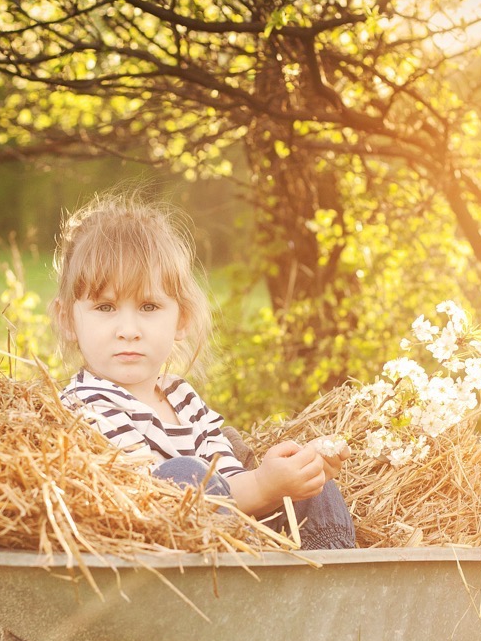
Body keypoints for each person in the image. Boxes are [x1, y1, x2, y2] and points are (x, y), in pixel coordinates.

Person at [50, 193, 355, 551]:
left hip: (236, 543)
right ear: (68, 319)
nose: (128, 329)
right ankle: (258, 581)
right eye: (105, 307)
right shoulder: (85, 405)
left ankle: (334, 582)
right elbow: (145, 504)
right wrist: (263, 486)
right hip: (171, 569)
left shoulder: (182, 397)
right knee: (182, 477)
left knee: (312, 489)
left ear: (182, 320)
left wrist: (284, 478)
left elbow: (230, 485)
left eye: (148, 306)